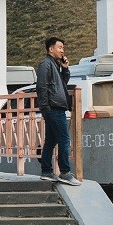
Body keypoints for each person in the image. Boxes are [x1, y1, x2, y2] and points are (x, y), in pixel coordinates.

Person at [35, 38, 74, 182]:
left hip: (55, 107)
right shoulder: (46, 64)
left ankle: (46, 171)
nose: (62, 50)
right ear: (51, 49)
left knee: (51, 141)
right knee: (64, 140)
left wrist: (65, 69)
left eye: (63, 48)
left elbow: (62, 84)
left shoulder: (55, 65)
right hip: (53, 108)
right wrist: (46, 107)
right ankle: (65, 172)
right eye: (60, 47)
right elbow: (41, 87)